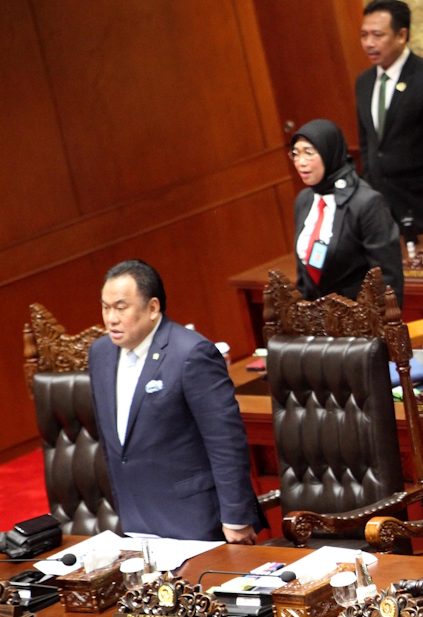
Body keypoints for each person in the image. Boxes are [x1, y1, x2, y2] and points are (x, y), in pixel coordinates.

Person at [88, 260, 263, 543]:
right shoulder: (101, 354)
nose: (111, 318)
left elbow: (226, 441)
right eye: (106, 308)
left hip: (195, 523)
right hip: (136, 521)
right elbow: (115, 445)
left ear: (153, 308)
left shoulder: (191, 353)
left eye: (121, 307)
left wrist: (236, 516)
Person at [356, 0, 423, 242]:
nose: (369, 43)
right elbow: (368, 146)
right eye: (364, 35)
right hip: (383, 211)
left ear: (402, 35)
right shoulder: (363, 83)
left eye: (377, 35)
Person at [290, 119, 405, 303]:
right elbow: (303, 272)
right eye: (295, 154)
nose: (300, 162)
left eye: (309, 153)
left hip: (360, 319)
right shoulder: (304, 200)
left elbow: (387, 277)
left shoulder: (366, 203)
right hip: (317, 320)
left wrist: (383, 324)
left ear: (329, 152)